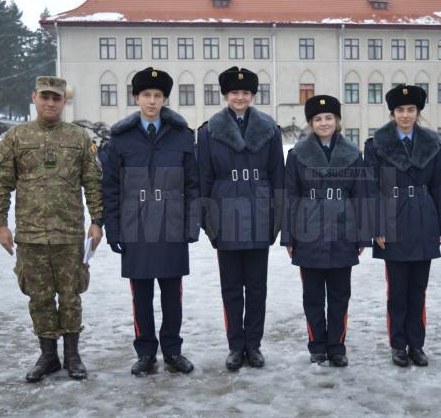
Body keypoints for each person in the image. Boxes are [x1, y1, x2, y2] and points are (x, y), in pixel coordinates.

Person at [0, 76, 103, 382]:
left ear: (64, 101)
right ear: (34, 97)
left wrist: (96, 221)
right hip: (31, 235)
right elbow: (0, 182)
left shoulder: (79, 138)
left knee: (71, 296)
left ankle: (73, 356)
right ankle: (48, 355)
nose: (50, 103)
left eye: (56, 98)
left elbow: (93, 182)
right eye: (45, 97)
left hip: (68, 235)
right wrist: (0, 224)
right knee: (38, 298)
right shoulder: (16, 137)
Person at [102, 67, 199, 375]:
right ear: (136, 97)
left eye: (158, 96)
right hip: (136, 225)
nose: (152, 101)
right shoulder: (121, 139)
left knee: (172, 294)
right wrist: (113, 229)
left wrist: (191, 225)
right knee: (141, 294)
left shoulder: (182, 136)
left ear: (164, 99)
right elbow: (112, 188)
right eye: (146, 95)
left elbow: (193, 185)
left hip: (171, 224)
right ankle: (146, 353)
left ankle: (172, 351)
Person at [197, 66, 284, 371]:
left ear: (252, 95)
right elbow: (203, 176)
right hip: (225, 210)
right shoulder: (209, 131)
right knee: (231, 286)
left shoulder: (269, 129)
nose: (239, 97)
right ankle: (236, 345)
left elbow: (278, 175)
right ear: (225, 95)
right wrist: (207, 218)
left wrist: (277, 216)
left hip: (260, 210)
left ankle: (254, 345)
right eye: (234, 92)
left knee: (257, 286)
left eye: (245, 92)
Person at [363, 84, 441, 367]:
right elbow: (373, 188)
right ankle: (398, 344)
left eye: (411, 110)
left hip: (424, 218)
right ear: (392, 113)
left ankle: (417, 344)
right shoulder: (377, 144)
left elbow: (440, 185)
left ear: (418, 112)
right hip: (393, 219)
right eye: (400, 110)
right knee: (398, 290)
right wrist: (376, 225)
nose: (406, 115)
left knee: (419, 289)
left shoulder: (431, 143)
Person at [281, 95, 368, 366]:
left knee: (341, 294)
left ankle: (337, 346)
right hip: (309, 231)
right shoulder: (297, 155)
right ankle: (317, 345)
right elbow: (289, 196)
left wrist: (363, 234)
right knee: (313, 295)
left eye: (329, 117)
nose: (324, 123)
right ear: (311, 123)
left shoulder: (353, 154)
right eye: (318, 119)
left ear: (337, 120)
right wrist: (288, 236)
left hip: (344, 230)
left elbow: (362, 195)